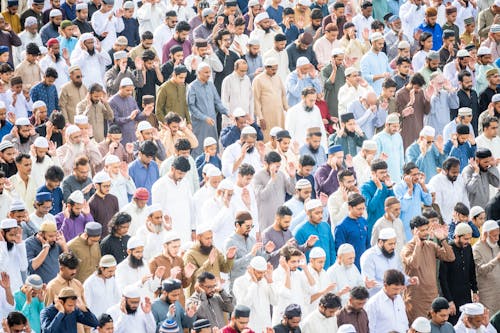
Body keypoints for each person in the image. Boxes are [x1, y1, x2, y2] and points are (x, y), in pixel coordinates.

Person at [401, 216, 455, 323]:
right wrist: (417, 244)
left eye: (426, 229)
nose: (426, 233)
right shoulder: (407, 248)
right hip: (416, 300)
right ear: (413, 231)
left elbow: (450, 257)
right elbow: (415, 264)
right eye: (422, 230)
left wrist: (443, 239)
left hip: (432, 298)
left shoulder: (431, 245)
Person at [439, 223, 478, 324]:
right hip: (453, 296)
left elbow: (471, 270)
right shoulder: (448, 249)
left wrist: (474, 290)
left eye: (469, 239)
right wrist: (449, 300)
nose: (468, 241)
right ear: (456, 236)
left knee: (468, 322)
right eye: (465, 239)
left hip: (466, 294)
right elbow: (443, 278)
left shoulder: (468, 248)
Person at [187, 63, 228, 157]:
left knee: (212, 147)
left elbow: (217, 102)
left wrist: (227, 112)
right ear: (198, 73)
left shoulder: (211, 85)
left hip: (211, 122)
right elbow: (191, 107)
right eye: (206, 72)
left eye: (209, 72)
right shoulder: (192, 87)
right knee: (199, 147)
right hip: (199, 124)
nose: (208, 74)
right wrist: (204, 118)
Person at [152, 156, 193, 243]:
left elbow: (190, 206)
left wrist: (193, 228)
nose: (181, 176)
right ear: (172, 169)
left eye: (184, 174)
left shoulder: (185, 183)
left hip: (185, 230)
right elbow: (156, 211)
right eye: (179, 173)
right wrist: (163, 225)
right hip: (169, 232)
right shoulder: (160, 185)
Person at [254, 151, 296, 230]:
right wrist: (272, 180)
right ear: (266, 164)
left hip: (280, 218)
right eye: (275, 167)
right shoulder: (258, 176)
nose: (277, 169)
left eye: (278, 166)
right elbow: (262, 196)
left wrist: (292, 177)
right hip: (266, 220)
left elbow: (292, 191)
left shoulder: (281, 174)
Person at [232, 256, 275, 333]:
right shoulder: (239, 282)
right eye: (259, 272)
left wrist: (270, 281)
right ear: (250, 269)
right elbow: (244, 305)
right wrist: (254, 284)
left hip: (266, 328)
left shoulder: (265, 281)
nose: (261, 275)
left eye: (263, 272)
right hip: (249, 328)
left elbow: (275, 302)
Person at [394, 162, 433, 240]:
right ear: (406, 176)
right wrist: (410, 189)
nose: (417, 177)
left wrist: (423, 185)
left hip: (418, 228)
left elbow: (429, 202)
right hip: (404, 229)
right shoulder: (397, 188)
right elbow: (403, 207)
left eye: (418, 174)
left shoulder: (418, 186)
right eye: (414, 175)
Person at [252, 57, 289, 139]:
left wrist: (287, 109)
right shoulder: (258, 80)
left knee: (280, 137)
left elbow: (283, 94)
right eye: (272, 69)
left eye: (276, 69)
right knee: (267, 137)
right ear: (266, 68)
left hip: (279, 114)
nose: (274, 71)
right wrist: (260, 117)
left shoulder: (278, 77)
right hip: (266, 115)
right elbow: (256, 100)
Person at [294, 199, 335, 268]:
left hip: (327, 271)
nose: (321, 216)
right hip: (310, 272)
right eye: (317, 213)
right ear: (308, 213)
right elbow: (297, 256)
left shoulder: (326, 226)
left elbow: (332, 249)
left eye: (321, 212)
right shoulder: (300, 231)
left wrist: (332, 267)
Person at [335, 193, 370, 269]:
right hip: (350, 266)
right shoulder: (341, 226)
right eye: (359, 209)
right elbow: (339, 250)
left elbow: (367, 244)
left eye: (363, 208)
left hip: (364, 264)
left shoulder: (364, 221)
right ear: (350, 208)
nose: (361, 211)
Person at [472, 220, 500, 314]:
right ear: (485, 235)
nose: (497, 238)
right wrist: (496, 260)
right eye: (494, 236)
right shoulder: (476, 249)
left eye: (498, 235)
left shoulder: (496, 246)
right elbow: (481, 270)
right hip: (487, 295)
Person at [373, 113, 404, 181]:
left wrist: (402, 172)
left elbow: (401, 156)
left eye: (397, 126)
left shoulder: (398, 136)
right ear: (386, 125)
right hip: (384, 176)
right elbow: (375, 160)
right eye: (394, 126)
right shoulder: (378, 138)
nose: (396, 129)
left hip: (397, 175)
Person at [0, 218, 28, 292]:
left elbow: (23, 267)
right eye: (11, 235)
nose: (13, 238)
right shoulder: (2, 248)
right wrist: (3, 244)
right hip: (3, 292)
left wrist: (20, 244)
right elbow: (3, 268)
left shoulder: (17, 245)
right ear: (2, 233)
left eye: (15, 234)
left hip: (18, 289)